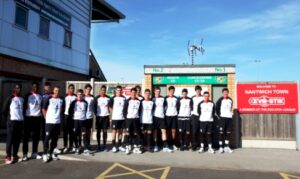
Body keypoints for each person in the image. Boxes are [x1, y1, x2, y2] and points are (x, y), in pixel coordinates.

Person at [42, 86, 64, 162]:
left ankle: (51, 153)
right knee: (47, 138)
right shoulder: (48, 98)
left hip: (57, 123)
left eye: (58, 90)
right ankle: (45, 154)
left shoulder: (61, 100)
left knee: (55, 139)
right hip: (49, 122)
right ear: (53, 91)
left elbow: (61, 110)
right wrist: (46, 118)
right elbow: (43, 109)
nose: (56, 92)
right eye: (55, 90)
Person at [3, 84, 24, 164]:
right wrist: (8, 121)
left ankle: (15, 155)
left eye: (19, 88)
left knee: (17, 141)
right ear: (14, 89)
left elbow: (23, 109)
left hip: (19, 122)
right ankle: (8, 157)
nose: (18, 89)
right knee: (10, 140)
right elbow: (4, 111)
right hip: (12, 122)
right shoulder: (10, 98)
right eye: (16, 88)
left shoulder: (22, 99)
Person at [22, 82, 43, 161]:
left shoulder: (40, 96)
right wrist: (24, 117)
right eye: (34, 87)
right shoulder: (27, 95)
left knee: (36, 137)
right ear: (31, 87)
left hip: (37, 118)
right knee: (26, 137)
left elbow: (41, 107)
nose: (35, 88)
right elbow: (24, 107)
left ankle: (34, 153)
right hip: (28, 118)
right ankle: (25, 154)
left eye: (36, 87)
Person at [69, 89, 90, 155]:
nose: (79, 96)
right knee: (76, 135)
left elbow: (86, 111)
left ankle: (86, 149)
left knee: (84, 134)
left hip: (83, 120)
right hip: (75, 120)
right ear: (77, 95)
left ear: (83, 95)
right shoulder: (73, 102)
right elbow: (70, 111)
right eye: (78, 94)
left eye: (81, 94)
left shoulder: (85, 102)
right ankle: (77, 147)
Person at [123, 88, 142, 154]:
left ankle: (135, 147)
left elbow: (139, 110)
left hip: (136, 119)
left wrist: (138, 117)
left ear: (136, 93)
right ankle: (127, 147)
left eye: (135, 92)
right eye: (132, 92)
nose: (133, 94)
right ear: (130, 93)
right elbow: (124, 111)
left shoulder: (139, 101)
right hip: (129, 119)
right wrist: (126, 119)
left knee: (135, 133)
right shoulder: (127, 101)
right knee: (127, 133)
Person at [152, 87, 171, 152]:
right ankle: (155, 145)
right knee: (155, 132)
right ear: (154, 92)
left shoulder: (163, 98)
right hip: (154, 117)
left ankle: (165, 146)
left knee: (164, 131)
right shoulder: (152, 99)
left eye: (159, 91)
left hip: (162, 117)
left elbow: (166, 107)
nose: (158, 92)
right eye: (157, 91)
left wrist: (164, 113)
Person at [109, 85, 126, 153]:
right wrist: (112, 115)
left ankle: (119, 145)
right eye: (118, 90)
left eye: (120, 90)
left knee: (120, 132)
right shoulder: (113, 98)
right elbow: (110, 107)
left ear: (122, 91)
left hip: (122, 118)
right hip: (115, 118)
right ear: (115, 91)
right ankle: (113, 146)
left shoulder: (124, 98)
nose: (119, 91)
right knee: (114, 132)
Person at [216, 88, 233, 154]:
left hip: (229, 118)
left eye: (226, 93)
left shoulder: (230, 100)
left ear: (228, 93)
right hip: (222, 118)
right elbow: (217, 109)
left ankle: (226, 147)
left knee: (228, 133)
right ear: (222, 93)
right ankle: (221, 147)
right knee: (221, 133)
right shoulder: (220, 100)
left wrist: (230, 115)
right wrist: (220, 116)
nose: (225, 94)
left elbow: (230, 108)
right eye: (224, 93)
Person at [94, 85, 110, 152]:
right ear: (100, 90)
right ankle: (98, 145)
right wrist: (97, 115)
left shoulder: (108, 98)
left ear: (105, 91)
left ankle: (104, 145)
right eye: (102, 90)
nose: (103, 91)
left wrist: (109, 116)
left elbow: (110, 108)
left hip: (106, 117)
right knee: (98, 131)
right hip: (99, 117)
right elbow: (94, 108)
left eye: (104, 90)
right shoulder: (97, 98)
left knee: (105, 132)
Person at [62, 84, 76, 153]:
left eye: (73, 88)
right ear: (68, 89)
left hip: (72, 117)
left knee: (71, 132)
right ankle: (65, 146)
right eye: (70, 88)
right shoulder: (64, 97)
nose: (72, 89)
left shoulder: (75, 97)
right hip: (66, 115)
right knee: (65, 132)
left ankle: (71, 146)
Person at [165, 86, 179, 151]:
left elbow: (178, 106)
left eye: (173, 91)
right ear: (169, 91)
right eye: (171, 91)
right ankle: (167, 144)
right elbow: (164, 107)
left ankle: (173, 144)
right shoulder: (166, 98)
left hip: (174, 116)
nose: (172, 92)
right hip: (167, 116)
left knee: (173, 131)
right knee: (167, 131)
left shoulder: (176, 98)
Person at [190, 85, 204, 151]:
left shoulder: (203, 97)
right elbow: (190, 106)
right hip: (194, 116)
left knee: (201, 132)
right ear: (195, 91)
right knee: (194, 132)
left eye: (199, 90)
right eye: (197, 90)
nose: (198, 91)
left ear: (201, 90)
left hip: (202, 117)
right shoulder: (193, 98)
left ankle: (201, 145)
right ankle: (194, 145)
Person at [83, 84, 94, 150]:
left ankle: (88, 144)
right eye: (87, 89)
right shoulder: (82, 97)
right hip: (83, 117)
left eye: (89, 89)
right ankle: (85, 146)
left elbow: (94, 106)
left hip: (90, 117)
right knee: (84, 132)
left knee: (89, 132)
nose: (88, 90)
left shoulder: (92, 97)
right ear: (85, 89)